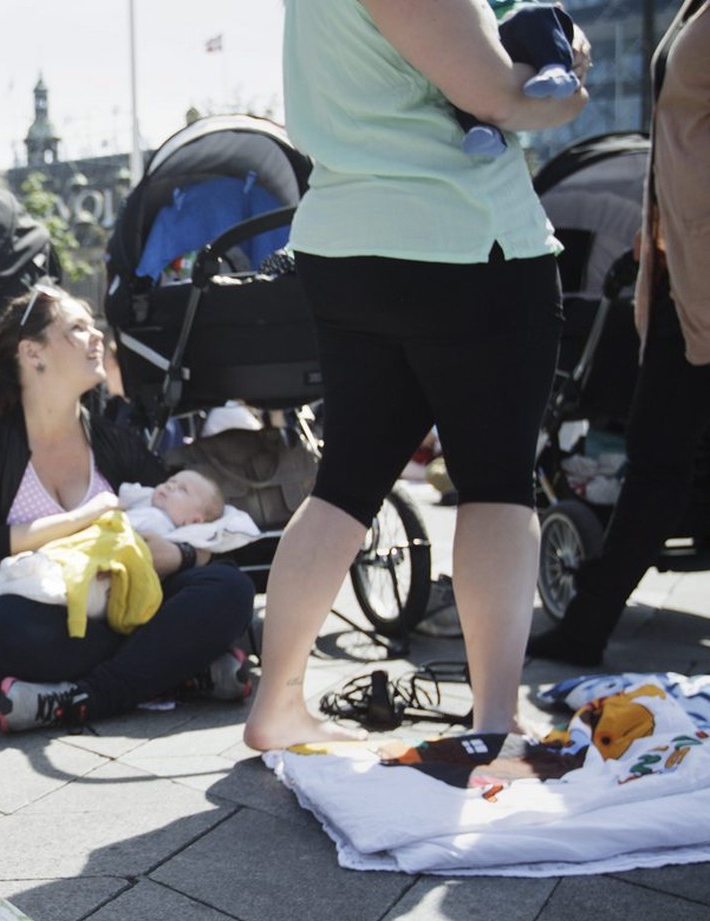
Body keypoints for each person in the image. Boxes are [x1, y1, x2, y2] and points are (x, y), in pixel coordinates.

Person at [243, 0, 590, 752]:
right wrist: (569, 81)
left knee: (346, 484)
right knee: (497, 483)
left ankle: (278, 702)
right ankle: (496, 717)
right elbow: (498, 94)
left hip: (347, 242)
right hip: (463, 240)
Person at [0, 284, 256, 733]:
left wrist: (181, 556)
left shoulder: (111, 441)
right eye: (77, 328)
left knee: (229, 589)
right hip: (36, 616)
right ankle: (173, 669)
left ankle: (86, 697)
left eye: (95, 326)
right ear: (34, 353)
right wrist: (79, 521)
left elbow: (199, 522)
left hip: (120, 608)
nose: (98, 338)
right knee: (0, 633)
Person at [527, 0, 709, 667]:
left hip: (700, 263)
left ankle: (587, 625)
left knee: (658, 457)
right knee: (657, 455)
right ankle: (588, 624)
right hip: (680, 267)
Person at [455, 2, 580, 156]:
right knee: (460, 69)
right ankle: (479, 130)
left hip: (520, 35)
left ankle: (555, 70)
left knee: (531, 15)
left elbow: (551, 13)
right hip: (488, 47)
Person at [120, 468, 226, 536]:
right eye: (171, 481)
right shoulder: (153, 500)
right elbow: (127, 493)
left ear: (194, 521)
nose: (170, 486)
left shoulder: (157, 520)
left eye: (183, 490)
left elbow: (117, 525)